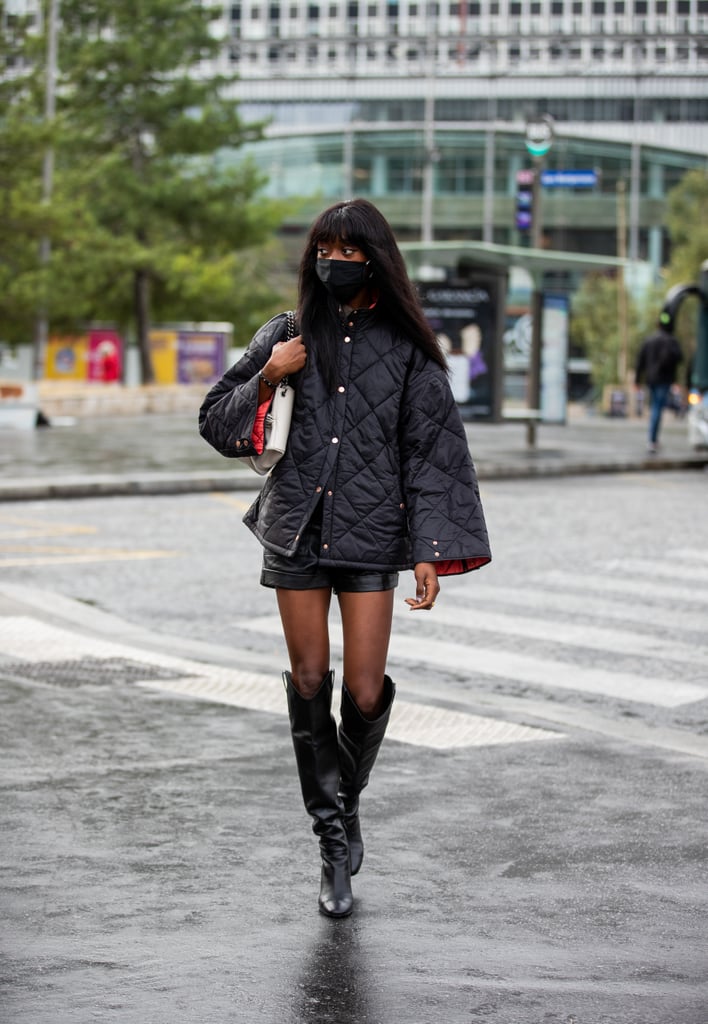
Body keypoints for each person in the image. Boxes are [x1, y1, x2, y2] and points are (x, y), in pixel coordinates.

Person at [199, 199, 491, 918]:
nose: (333, 259)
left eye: (348, 249)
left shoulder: (410, 350)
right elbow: (214, 419)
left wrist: (430, 551)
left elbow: (432, 457)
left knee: (363, 691)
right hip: (296, 531)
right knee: (308, 677)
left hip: (369, 537)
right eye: (323, 247)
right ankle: (332, 843)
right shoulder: (288, 333)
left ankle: (346, 800)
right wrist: (268, 374)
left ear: (375, 258)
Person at [635, 316, 683, 453]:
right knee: (657, 408)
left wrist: (637, 380)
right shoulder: (671, 340)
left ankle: (653, 439)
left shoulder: (649, 340)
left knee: (655, 406)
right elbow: (680, 357)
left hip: (651, 379)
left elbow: (640, 360)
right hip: (664, 379)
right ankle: (652, 440)